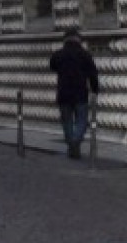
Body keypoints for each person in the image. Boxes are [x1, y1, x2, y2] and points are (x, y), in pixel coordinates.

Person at [48, 28, 101, 159]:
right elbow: (93, 74)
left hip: (63, 93)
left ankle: (71, 143)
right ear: (79, 40)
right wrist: (95, 90)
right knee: (81, 121)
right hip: (80, 93)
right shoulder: (85, 54)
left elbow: (52, 66)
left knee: (67, 122)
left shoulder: (58, 54)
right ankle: (75, 141)